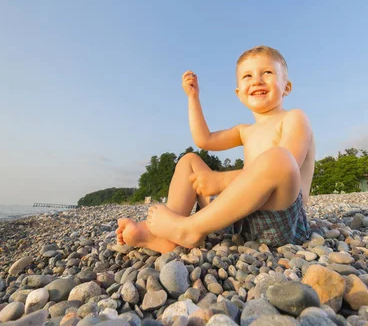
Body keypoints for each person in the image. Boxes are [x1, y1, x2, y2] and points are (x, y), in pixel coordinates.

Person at [116, 45, 315, 253]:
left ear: (287, 87)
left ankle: (190, 229)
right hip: (241, 218)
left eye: (267, 72)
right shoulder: (244, 131)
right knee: (190, 161)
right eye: (247, 76)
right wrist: (193, 98)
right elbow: (205, 140)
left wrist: (220, 181)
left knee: (279, 158)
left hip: (280, 220)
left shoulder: (294, 118)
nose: (257, 80)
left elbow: (289, 163)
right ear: (239, 94)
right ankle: (167, 232)